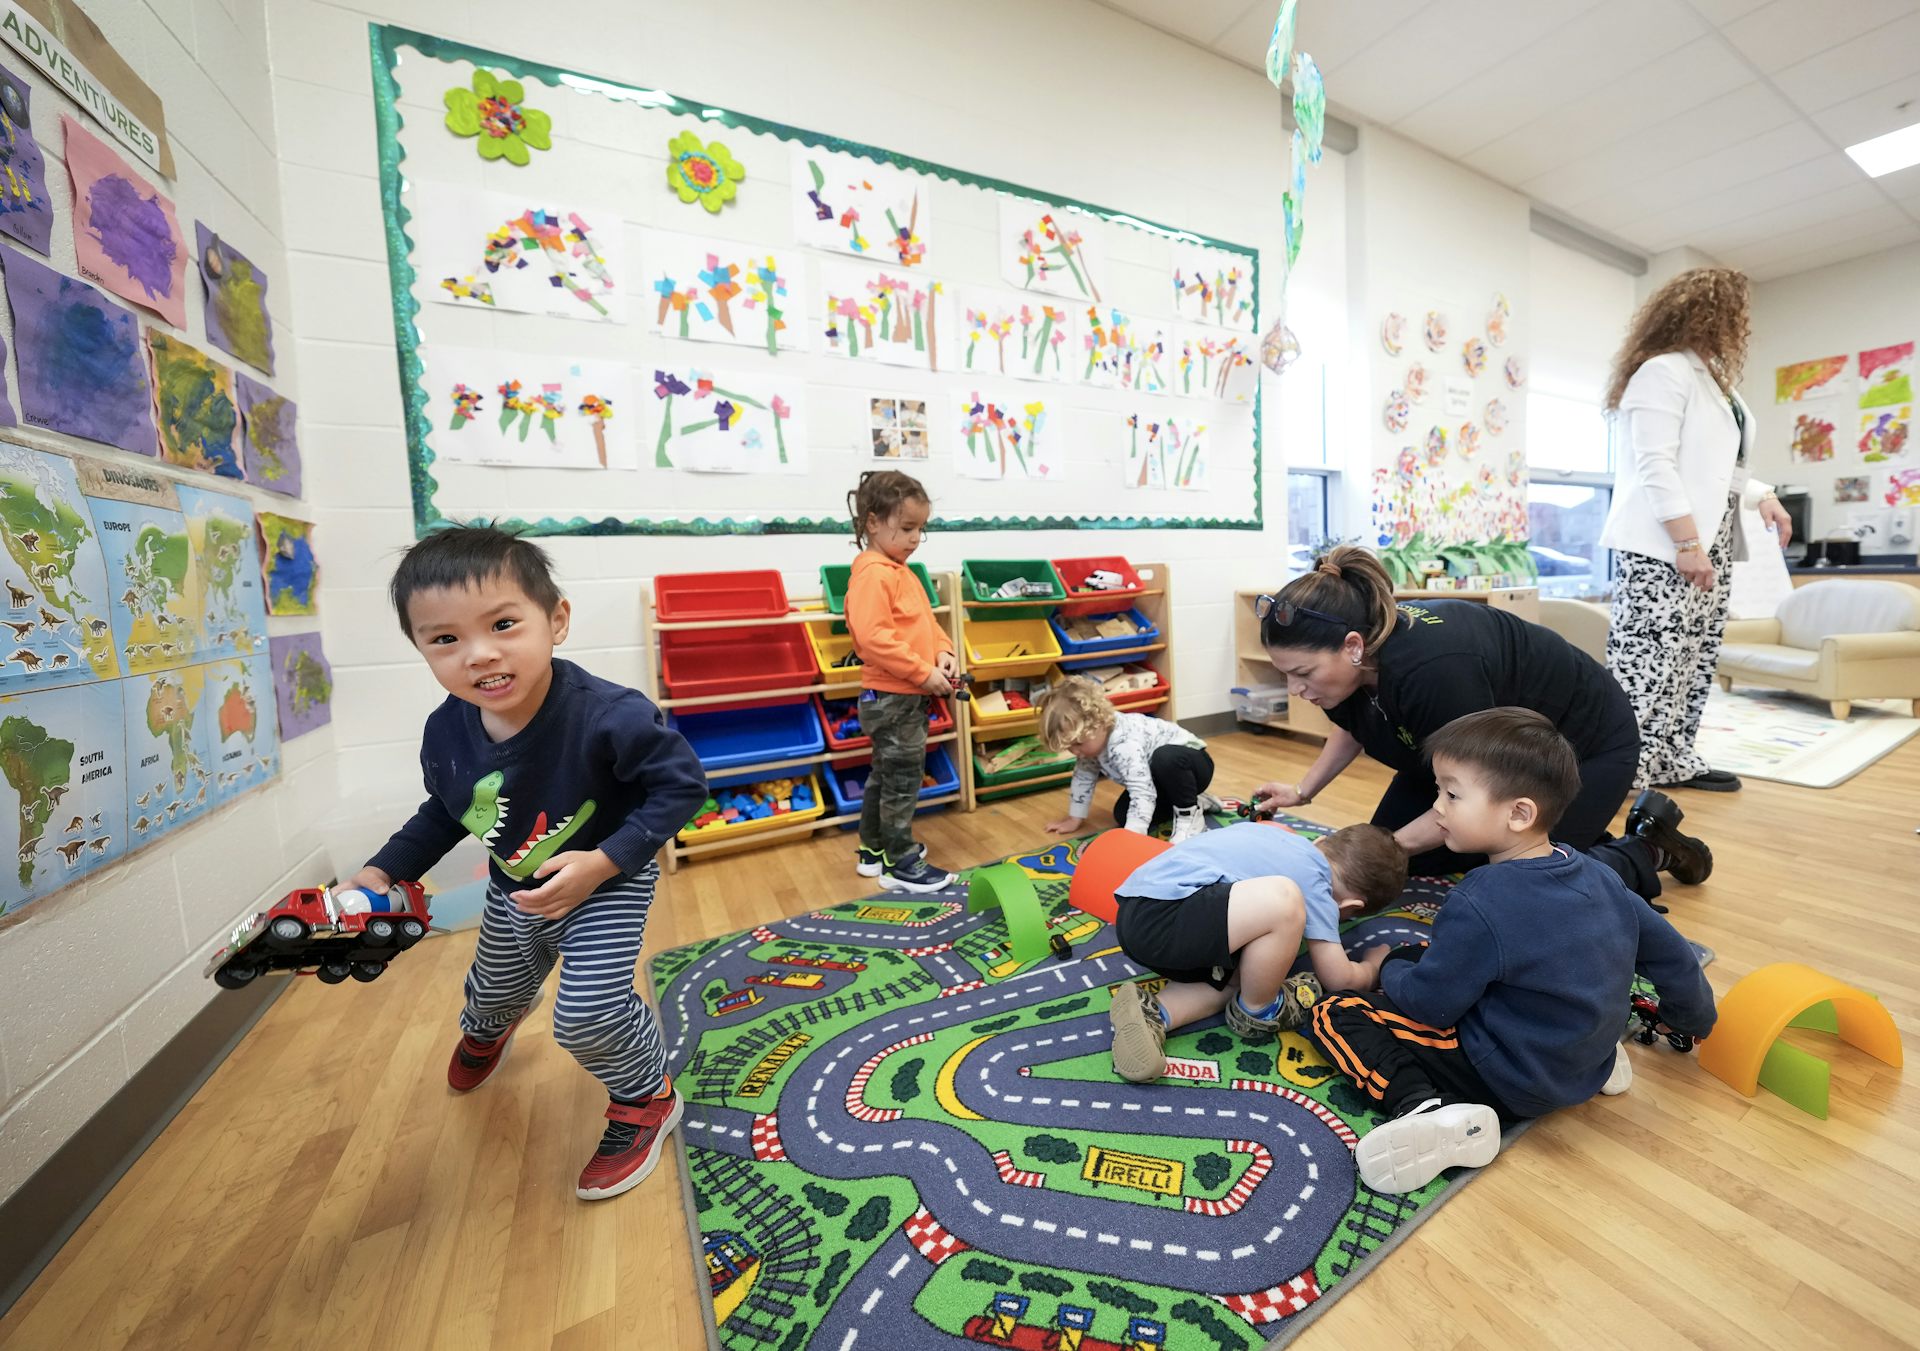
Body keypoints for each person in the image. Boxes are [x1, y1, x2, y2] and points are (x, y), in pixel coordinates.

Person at [347, 524, 708, 1201]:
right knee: (493, 995)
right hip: (513, 890)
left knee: (588, 1013)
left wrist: (604, 861)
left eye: (504, 623)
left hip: (607, 884)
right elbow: (445, 811)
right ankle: (491, 1026)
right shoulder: (447, 729)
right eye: (445, 639)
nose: (479, 654)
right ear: (421, 647)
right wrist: (381, 872)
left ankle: (646, 1094)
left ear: (556, 620)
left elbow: (681, 786)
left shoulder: (610, 715)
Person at [1305, 708, 1717, 1194]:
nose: (1437, 807)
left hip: (1512, 1077)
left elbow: (1430, 1008)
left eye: (1452, 794)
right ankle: (1593, 1058)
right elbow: (1673, 958)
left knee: (1335, 1012)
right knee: (1445, 958)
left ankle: (1427, 1109)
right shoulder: (1600, 875)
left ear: (1519, 813)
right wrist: (1690, 1021)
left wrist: (1389, 966)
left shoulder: (1480, 899)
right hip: (1583, 1057)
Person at [1254, 546, 1709, 905]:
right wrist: (1304, 791)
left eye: (1304, 674)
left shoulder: (1435, 671)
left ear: (1353, 646)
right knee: (1400, 863)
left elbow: (1479, 790)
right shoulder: (1356, 667)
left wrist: (1381, 847)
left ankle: (1646, 847)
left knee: (1527, 881)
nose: (1296, 689)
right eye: (1286, 674)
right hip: (1471, 750)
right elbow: (1357, 724)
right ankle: (1583, 834)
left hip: (1584, 745)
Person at [1600, 266, 1792, 794]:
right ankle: (1627, 768)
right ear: (1705, 315)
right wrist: (1686, 542)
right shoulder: (1662, 372)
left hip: (1712, 540)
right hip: (1663, 545)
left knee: (1694, 655)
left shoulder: (1716, 384)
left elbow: (1719, 470)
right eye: (1735, 316)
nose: (1740, 327)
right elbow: (1655, 465)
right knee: (1648, 662)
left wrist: (1765, 497)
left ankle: (1673, 758)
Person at [1106, 818, 1408, 1082]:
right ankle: (1260, 1009)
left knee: (1248, 974)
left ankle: (1155, 1014)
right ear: (1350, 907)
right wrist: (1371, 967)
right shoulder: (1316, 883)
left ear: (1321, 842)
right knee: (1287, 902)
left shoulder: (1280, 839)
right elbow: (1339, 979)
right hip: (1168, 918)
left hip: (1139, 914)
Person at [843, 470, 957, 893]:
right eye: (907, 528)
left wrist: (942, 653)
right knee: (903, 780)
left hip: (905, 694)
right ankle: (899, 862)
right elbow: (874, 640)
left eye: (920, 530)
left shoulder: (901, 571)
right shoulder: (874, 573)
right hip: (893, 696)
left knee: (885, 774)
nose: (914, 538)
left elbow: (927, 624)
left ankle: (873, 850)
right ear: (873, 522)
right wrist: (922, 672)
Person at [1036, 675, 1215, 844]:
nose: (1076, 752)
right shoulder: (1090, 747)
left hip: (1194, 765)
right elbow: (1082, 779)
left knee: (1165, 758)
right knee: (1122, 814)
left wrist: (1132, 839)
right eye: (1069, 747)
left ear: (1098, 724)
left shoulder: (1123, 742)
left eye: (1079, 743)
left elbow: (1142, 790)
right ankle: (1196, 800)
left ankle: (1188, 814)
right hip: (1161, 779)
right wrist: (1074, 818)